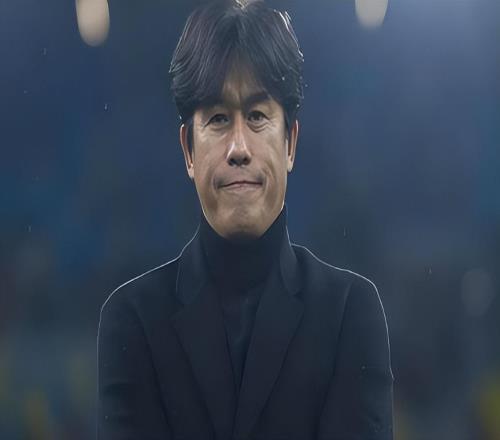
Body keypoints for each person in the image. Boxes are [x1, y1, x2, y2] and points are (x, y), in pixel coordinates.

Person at [97, 1, 394, 439]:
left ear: (290, 143)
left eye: (257, 116)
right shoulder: (132, 321)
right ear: (188, 151)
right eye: (218, 119)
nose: (239, 147)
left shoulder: (350, 313)